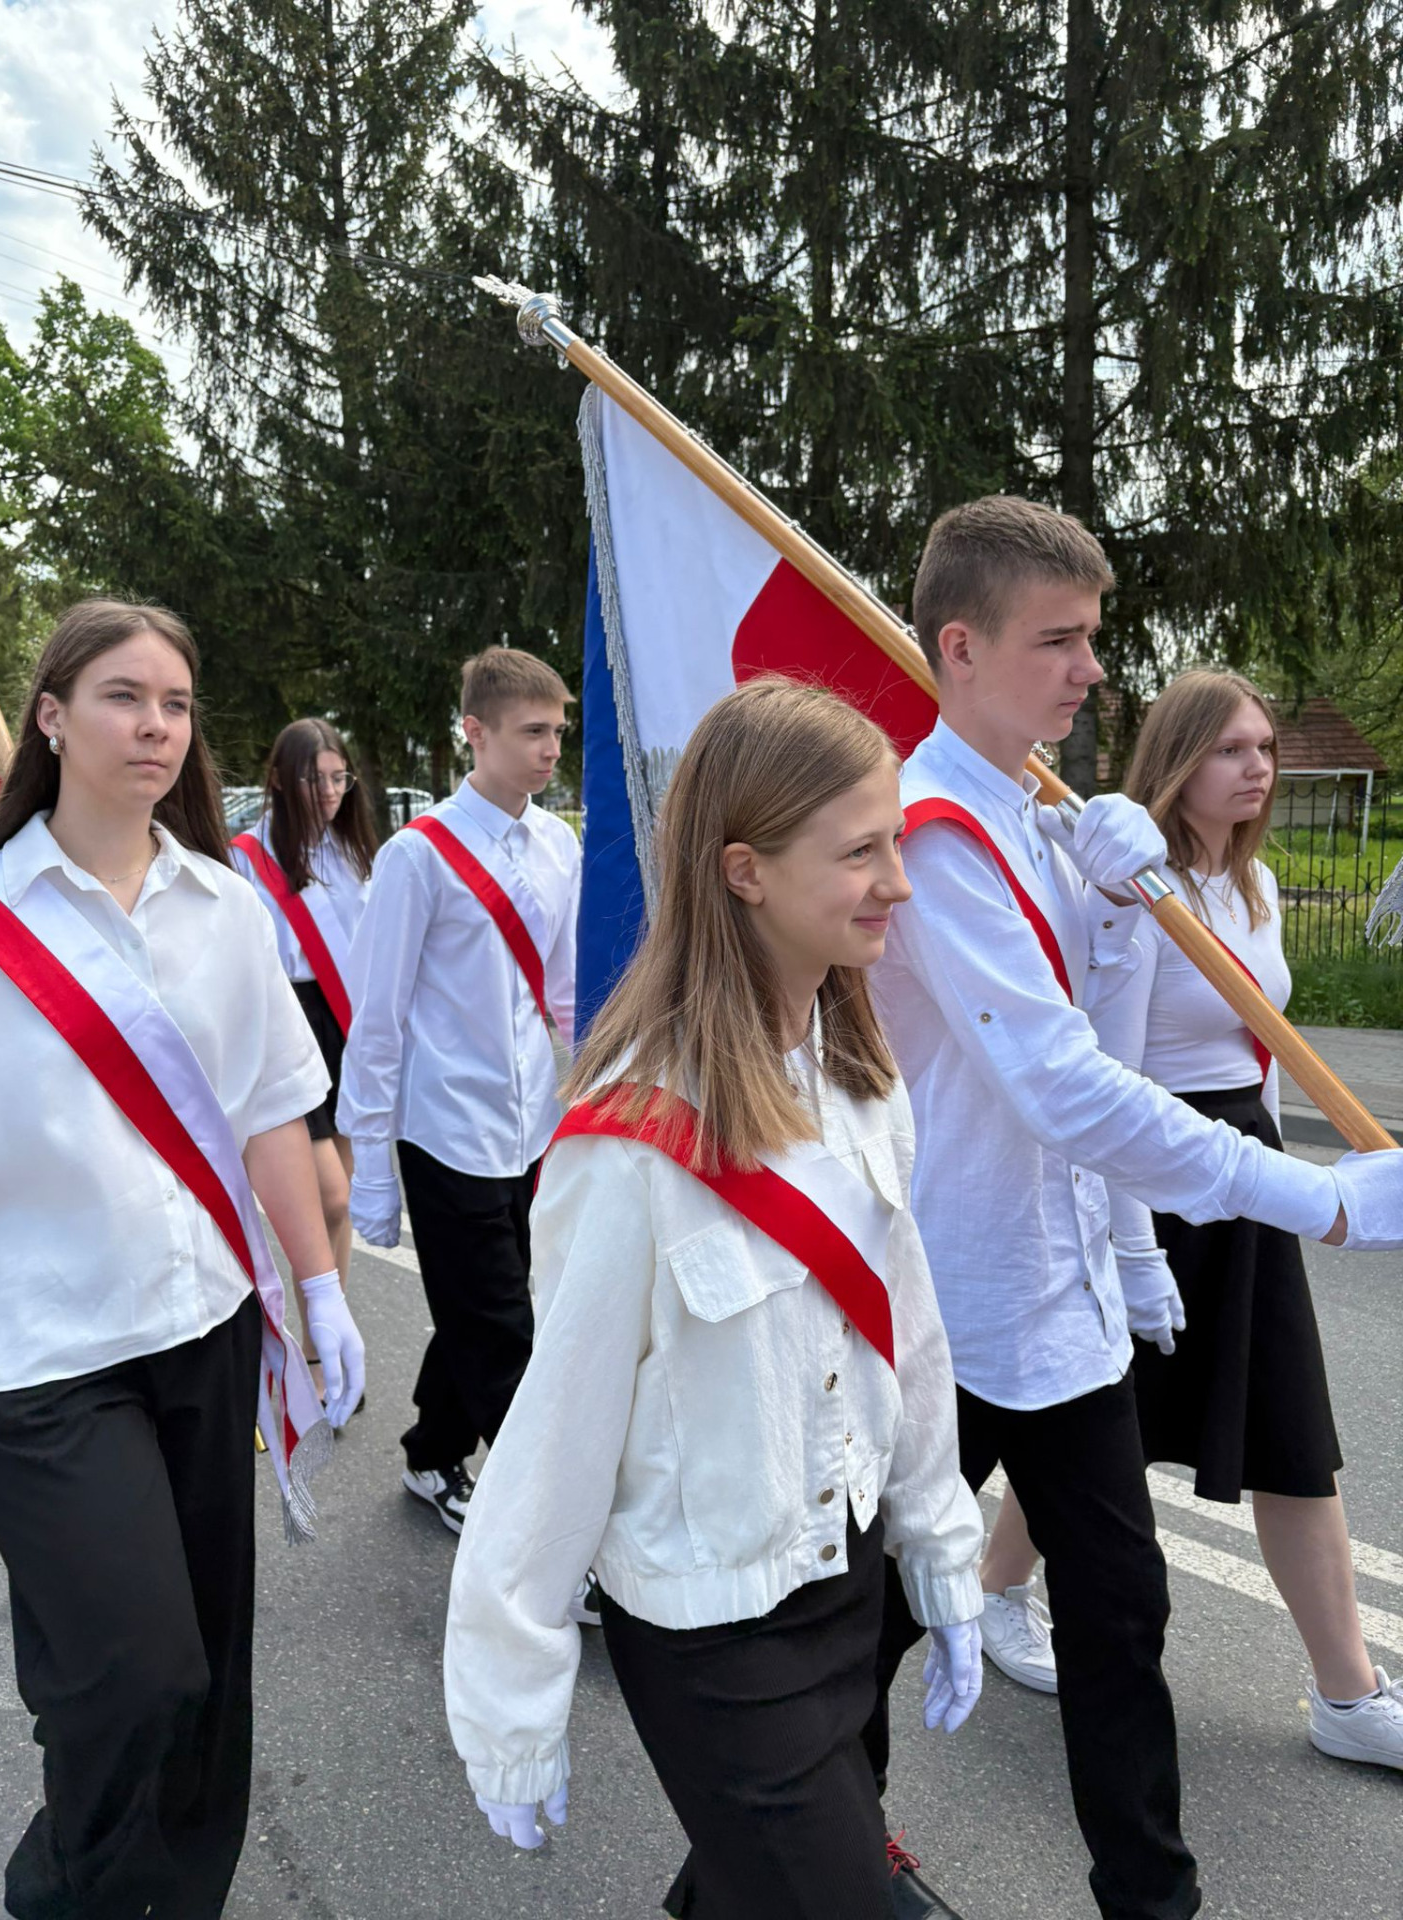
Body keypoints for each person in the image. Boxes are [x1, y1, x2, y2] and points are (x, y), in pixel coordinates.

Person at [868, 497, 1403, 1920]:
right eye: (1062, 641)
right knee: (862, 1628)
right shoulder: (928, 840)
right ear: (962, 647)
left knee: (1120, 1615)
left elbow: (1101, 1044)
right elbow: (1059, 1090)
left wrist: (1107, 913)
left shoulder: (1034, 823)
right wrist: (1321, 1202)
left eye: (1094, 638)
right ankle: (780, 1868)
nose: (1093, 671)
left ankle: (1150, 1903)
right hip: (949, 1299)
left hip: (1058, 1303)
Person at [444, 679, 985, 1920]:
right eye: (861, 851)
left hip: (846, 1585)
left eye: (892, 841)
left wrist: (941, 1547)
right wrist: (510, 1694)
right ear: (745, 871)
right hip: (718, 1634)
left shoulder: (858, 1076)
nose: (898, 880)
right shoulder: (633, 1138)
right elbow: (558, 1430)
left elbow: (906, 1335)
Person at [0, 599, 365, 1920]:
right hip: (32, 1355)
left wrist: (314, 1289)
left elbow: (268, 1114)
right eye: (125, 697)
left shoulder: (224, 908)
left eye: (177, 705)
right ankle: (64, 1890)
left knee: (209, 1682)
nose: (155, 726)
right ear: (50, 715)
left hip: (204, 1328)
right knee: (127, 1671)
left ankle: (174, 1895)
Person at [1088, 667, 1401, 1766]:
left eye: (1265, 747)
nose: (1258, 767)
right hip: (1158, 1185)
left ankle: (1347, 1695)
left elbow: (1256, 1067)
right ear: (1177, 761)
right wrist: (1129, 1249)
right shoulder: (1139, 889)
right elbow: (1111, 1090)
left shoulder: (1250, 890)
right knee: (1092, 1430)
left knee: (1289, 1439)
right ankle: (988, 1590)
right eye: (1231, 749)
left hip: (1248, 1183)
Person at [339, 646, 580, 1535]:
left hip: (534, 1126)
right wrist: (370, 1165)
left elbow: (561, 992)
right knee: (505, 1330)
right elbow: (378, 1015)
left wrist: (595, 1090)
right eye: (531, 732)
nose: (550, 749)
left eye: (557, 731)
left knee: (487, 1306)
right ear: (474, 733)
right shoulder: (418, 857)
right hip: (445, 1129)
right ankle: (549, 1533)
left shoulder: (558, 845)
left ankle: (433, 1451)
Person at [233, 717, 376, 1390]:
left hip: (347, 1024)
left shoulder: (352, 854)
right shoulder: (246, 855)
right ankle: (306, 1349)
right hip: (288, 1024)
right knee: (329, 1191)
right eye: (313, 778)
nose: (328, 791)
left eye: (338, 777)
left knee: (337, 1205)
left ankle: (324, 1342)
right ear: (282, 780)